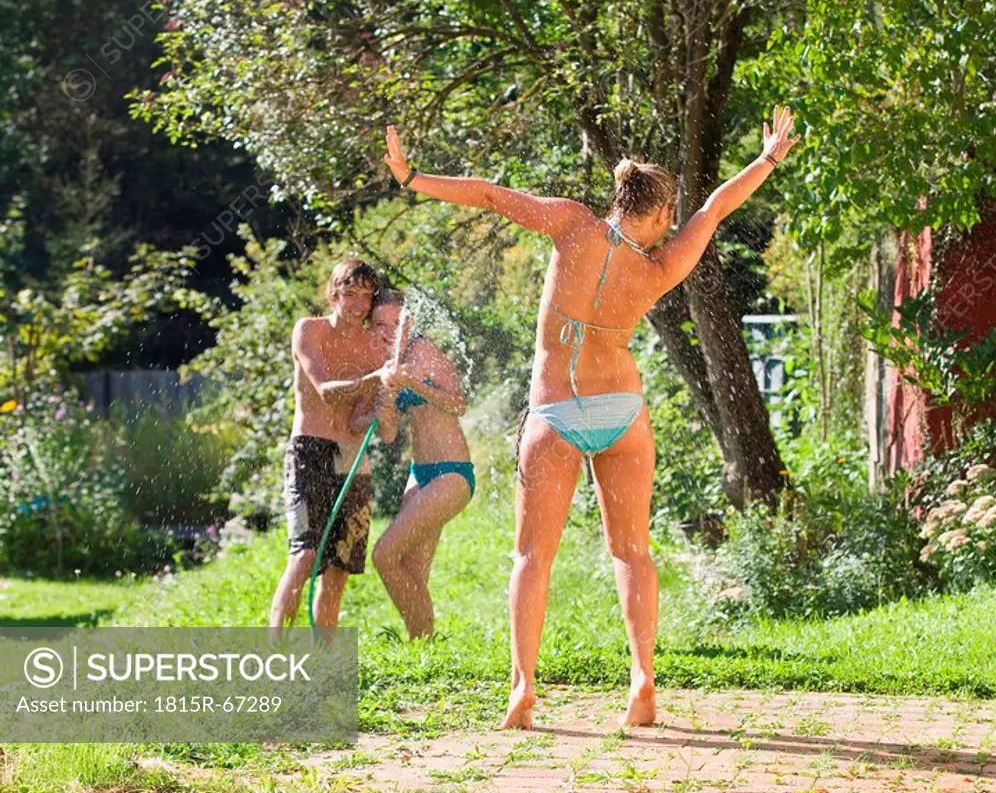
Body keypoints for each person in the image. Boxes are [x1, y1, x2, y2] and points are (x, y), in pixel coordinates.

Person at [383, 105, 800, 728]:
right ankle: (643, 681)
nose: (672, 225)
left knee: (531, 557)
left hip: (555, 412)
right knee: (632, 552)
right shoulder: (659, 265)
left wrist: (414, 177)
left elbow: (494, 196)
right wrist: (765, 159)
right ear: (658, 213)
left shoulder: (573, 225)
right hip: (622, 412)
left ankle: (523, 689)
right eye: (669, 216)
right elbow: (715, 208)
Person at [268, 258, 389, 639]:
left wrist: (381, 405)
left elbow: (361, 420)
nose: (358, 305)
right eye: (350, 294)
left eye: (366, 297)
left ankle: (323, 661)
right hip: (309, 453)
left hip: (355, 461)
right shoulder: (309, 331)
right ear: (334, 293)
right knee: (304, 557)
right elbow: (324, 390)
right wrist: (375, 377)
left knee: (338, 571)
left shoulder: (375, 348)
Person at [350, 288, 474, 639]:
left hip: (453, 472)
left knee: (383, 555)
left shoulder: (424, 353)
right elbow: (388, 436)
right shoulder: (385, 368)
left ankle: (424, 639)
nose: (387, 331)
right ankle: (422, 644)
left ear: (409, 323)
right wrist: (385, 412)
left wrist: (415, 383)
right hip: (420, 474)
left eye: (394, 322)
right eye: (379, 324)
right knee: (412, 570)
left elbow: (459, 404)